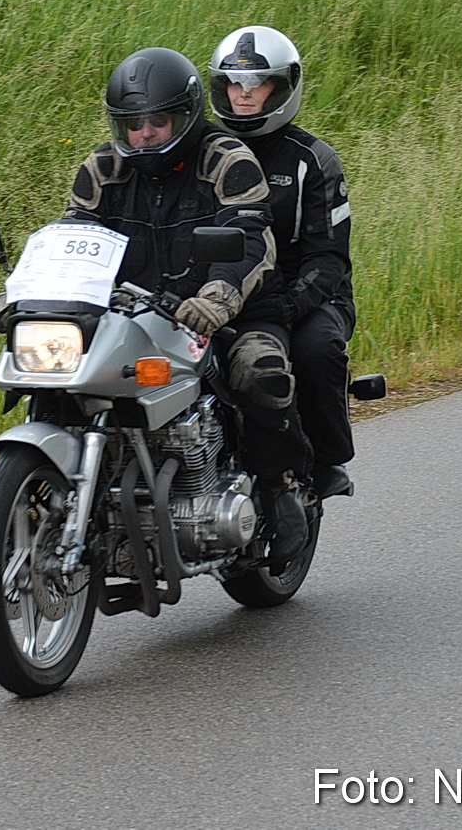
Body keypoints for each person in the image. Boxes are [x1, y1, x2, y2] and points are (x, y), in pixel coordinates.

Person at [59, 46, 312, 560]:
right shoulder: (101, 169)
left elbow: (250, 236)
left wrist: (216, 299)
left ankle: (278, 485)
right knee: (69, 380)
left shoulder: (226, 159)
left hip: (226, 310)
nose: (145, 133)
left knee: (258, 369)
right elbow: (73, 238)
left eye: (158, 119)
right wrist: (24, 293)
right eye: (133, 123)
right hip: (132, 313)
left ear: (186, 115)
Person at [205, 25, 357, 499]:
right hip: (226, 290)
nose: (243, 95)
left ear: (282, 87)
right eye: (233, 84)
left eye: (257, 84)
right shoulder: (203, 152)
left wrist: (287, 306)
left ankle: (324, 460)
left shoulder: (313, 160)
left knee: (315, 352)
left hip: (309, 295)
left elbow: (328, 256)